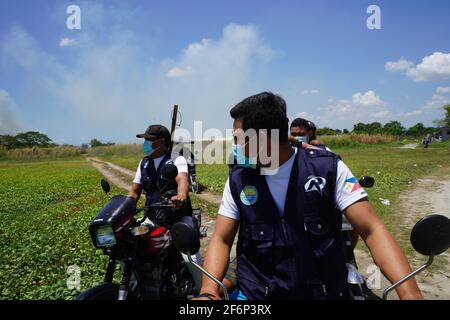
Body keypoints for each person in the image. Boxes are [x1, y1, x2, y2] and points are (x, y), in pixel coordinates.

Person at [195, 92, 423, 300]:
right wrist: (208, 290)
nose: (235, 147)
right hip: (257, 295)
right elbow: (221, 239)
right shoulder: (239, 179)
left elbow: (372, 230)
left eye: (239, 139)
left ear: (262, 139)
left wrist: (409, 292)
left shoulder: (327, 170)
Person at [128, 124, 203, 290]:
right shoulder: (144, 163)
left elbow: (182, 180)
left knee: (190, 256)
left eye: (148, 140)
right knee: (134, 249)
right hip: (152, 216)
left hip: (177, 216)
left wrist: (181, 195)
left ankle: (205, 291)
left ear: (160, 142)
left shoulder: (177, 158)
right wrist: (123, 207)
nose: (145, 143)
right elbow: (134, 192)